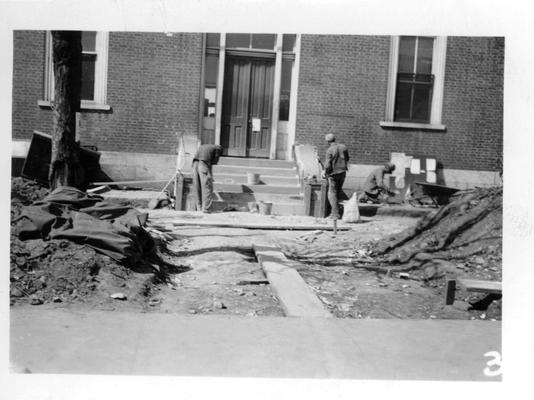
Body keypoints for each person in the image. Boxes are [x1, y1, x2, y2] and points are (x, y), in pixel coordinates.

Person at [321, 133, 349, 219]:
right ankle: (341, 212)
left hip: (334, 174)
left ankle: (335, 214)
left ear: (327, 142)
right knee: (338, 191)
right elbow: (347, 158)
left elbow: (328, 165)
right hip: (343, 173)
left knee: (332, 193)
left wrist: (324, 171)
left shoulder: (330, 150)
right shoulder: (344, 147)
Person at [192, 144, 223, 213]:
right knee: (207, 187)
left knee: (197, 187)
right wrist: (210, 176)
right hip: (203, 164)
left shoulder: (205, 146)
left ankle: (199, 208)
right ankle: (206, 209)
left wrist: (210, 174)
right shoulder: (218, 149)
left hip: (194, 164)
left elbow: (209, 163)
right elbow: (212, 162)